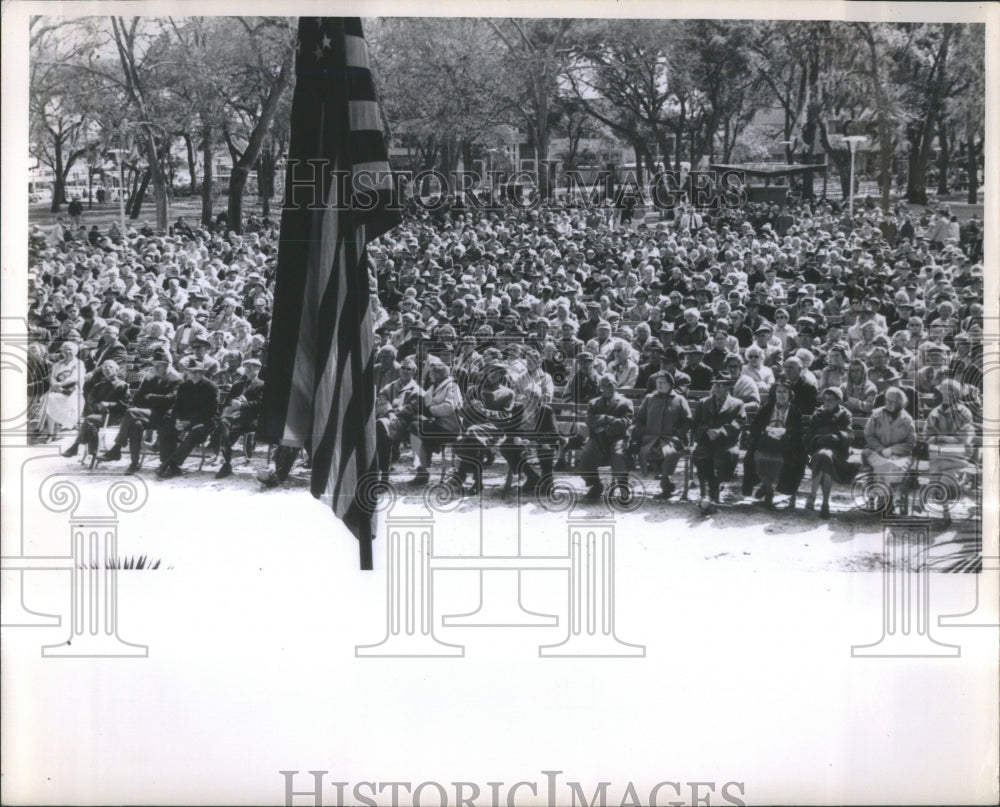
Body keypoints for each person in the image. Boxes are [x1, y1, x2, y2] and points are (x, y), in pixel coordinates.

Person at [99, 357, 181, 474]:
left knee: (130, 412)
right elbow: (138, 398)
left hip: (164, 417)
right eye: (155, 365)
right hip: (147, 414)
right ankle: (134, 463)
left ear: (168, 366)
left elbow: (170, 399)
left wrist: (150, 397)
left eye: (160, 365)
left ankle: (117, 447)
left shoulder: (176, 380)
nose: (156, 368)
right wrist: (152, 396)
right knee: (135, 425)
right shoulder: (150, 378)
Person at [741, 378, 805, 509]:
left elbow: (798, 431)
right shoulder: (766, 409)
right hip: (765, 442)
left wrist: (785, 431)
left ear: (790, 395)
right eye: (778, 392)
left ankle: (768, 488)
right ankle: (769, 491)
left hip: (785, 445)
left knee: (796, 461)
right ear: (774, 394)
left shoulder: (795, 411)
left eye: (784, 392)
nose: (781, 395)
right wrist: (767, 429)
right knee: (754, 459)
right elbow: (755, 427)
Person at [628, 371, 691, 500]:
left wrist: (678, 433)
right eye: (657, 383)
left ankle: (665, 485)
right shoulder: (649, 398)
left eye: (662, 382)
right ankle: (667, 483)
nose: (659, 385)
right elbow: (639, 419)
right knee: (649, 452)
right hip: (650, 438)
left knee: (666, 453)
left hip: (671, 439)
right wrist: (642, 431)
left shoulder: (679, 399)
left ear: (671, 384)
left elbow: (688, 420)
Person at [155, 361, 220, 479]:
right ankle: (169, 465)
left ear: (202, 373)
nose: (193, 375)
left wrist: (190, 423)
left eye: (196, 372)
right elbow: (177, 407)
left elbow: (211, 412)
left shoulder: (211, 387)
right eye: (191, 372)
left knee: (194, 433)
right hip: (185, 421)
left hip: (205, 422)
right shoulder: (184, 386)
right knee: (166, 429)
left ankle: (171, 464)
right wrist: (177, 421)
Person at [691, 371, 745, 503]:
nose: (716, 387)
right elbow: (696, 423)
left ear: (728, 388)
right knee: (701, 455)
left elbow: (738, 422)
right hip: (706, 440)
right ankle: (709, 488)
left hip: (726, 442)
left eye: (721, 385)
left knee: (726, 456)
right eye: (715, 385)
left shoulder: (737, 404)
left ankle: (715, 486)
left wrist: (720, 432)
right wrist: (707, 431)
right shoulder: (703, 403)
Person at [861, 387, 917, 514]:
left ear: (899, 403)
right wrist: (881, 449)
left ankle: (884, 500)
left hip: (899, 455)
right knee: (885, 464)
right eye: (887, 400)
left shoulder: (907, 419)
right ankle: (887, 500)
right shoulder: (876, 415)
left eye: (892, 401)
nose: (889, 404)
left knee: (890, 465)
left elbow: (910, 442)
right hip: (875, 452)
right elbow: (869, 435)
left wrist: (892, 450)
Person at [803, 387, 857, 518]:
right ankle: (825, 504)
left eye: (831, 400)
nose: (826, 403)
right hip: (811, 457)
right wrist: (818, 439)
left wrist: (837, 437)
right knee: (824, 456)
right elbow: (808, 436)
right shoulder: (818, 413)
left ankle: (812, 496)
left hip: (839, 455)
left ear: (838, 401)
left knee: (826, 456)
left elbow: (850, 435)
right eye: (825, 400)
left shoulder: (845, 415)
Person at [408, 357, 463, 486]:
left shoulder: (452, 386)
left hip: (450, 428)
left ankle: (422, 470)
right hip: (437, 424)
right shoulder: (434, 386)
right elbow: (424, 400)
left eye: (432, 373)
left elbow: (449, 407)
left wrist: (429, 411)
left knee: (416, 427)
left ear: (439, 374)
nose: (430, 376)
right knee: (414, 426)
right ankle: (421, 469)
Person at [579, 374, 634, 500]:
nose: (607, 388)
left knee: (619, 454)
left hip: (617, 437)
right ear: (600, 388)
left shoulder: (625, 402)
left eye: (610, 385)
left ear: (615, 385)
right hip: (597, 439)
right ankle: (596, 485)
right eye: (603, 386)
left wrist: (605, 426)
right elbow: (589, 420)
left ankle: (623, 487)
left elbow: (625, 422)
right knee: (586, 455)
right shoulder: (594, 403)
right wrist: (605, 418)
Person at [61, 360, 129, 459]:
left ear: (117, 370)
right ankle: (93, 453)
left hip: (114, 416)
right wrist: (97, 406)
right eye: (105, 368)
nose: (107, 369)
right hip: (98, 415)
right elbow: (90, 400)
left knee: (89, 420)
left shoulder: (123, 385)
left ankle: (77, 447)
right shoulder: (99, 385)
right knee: (91, 425)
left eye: (110, 367)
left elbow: (124, 405)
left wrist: (109, 404)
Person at [214, 358, 266, 479]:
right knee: (223, 422)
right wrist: (233, 401)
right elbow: (227, 401)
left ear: (258, 369)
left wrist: (243, 405)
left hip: (250, 418)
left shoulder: (262, 385)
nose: (248, 369)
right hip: (233, 417)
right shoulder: (238, 384)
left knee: (224, 430)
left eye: (252, 367)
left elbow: (262, 404)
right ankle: (226, 462)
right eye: (246, 366)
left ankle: (224, 454)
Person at [375, 357, 422, 483]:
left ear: (414, 372)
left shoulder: (417, 390)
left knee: (380, 427)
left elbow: (414, 406)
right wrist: (390, 413)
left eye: (409, 369)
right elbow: (382, 399)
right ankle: (383, 472)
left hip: (406, 424)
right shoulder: (390, 386)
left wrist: (397, 412)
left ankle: (383, 473)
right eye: (403, 368)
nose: (405, 371)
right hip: (389, 420)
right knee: (380, 428)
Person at [35, 341, 85, 441]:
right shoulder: (57, 364)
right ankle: (49, 432)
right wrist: (55, 384)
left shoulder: (79, 363)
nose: (67, 351)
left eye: (69, 349)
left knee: (48, 399)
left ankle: (45, 431)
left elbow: (75, 377)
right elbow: (52, 377)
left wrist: (60, 384)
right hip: (57, 391)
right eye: (64, 349)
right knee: (46, 399)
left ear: (75, 351)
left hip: (72, 393)